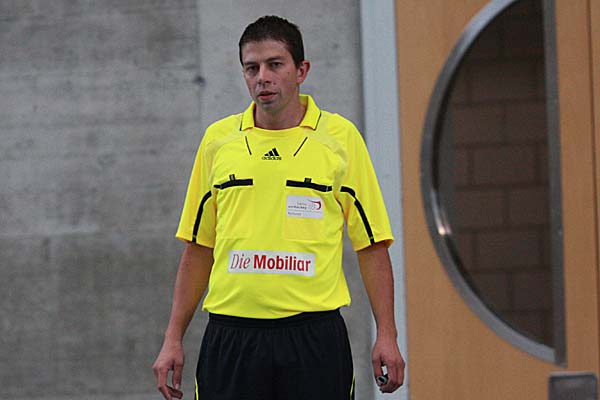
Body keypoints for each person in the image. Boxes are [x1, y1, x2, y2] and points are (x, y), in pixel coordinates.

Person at [152, 15, 405, 400]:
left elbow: (371, 246)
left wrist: (387, 334)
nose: (262, 78)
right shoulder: (218, 141)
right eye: (251, 68)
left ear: (301, 70)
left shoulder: (340, 139)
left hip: (314, 340)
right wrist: (173, 338)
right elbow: (199, 247)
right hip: (232, 339)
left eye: (275, 64)